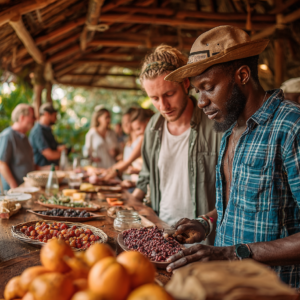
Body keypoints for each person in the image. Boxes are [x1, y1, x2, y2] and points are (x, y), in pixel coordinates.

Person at [164, 25, 300, 288]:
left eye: (209, 87)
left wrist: (230, 253)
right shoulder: (229, 132)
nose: (201, 101)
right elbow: (241, 206)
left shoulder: (291, 127)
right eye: (197, 91)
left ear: (242, 75)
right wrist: (205, 223)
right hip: (230, 288)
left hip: (273, 291)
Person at [130, 45, 222, 238]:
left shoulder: (215, 125)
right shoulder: (153, 127)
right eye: (154, 98)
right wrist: (130, 204)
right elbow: (145, 178)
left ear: (186, 83)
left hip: (206, 243)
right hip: (162, 235)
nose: (163, 106)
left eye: (169, 94)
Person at [104, 108, 154, 181]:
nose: (124, 125)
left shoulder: (142, 138)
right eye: (123, 122)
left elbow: (128, 161)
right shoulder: (128, 141)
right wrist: (108, 171)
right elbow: (125, 161)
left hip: (139, 182)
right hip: (130, 181)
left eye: (128, 122)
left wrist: (114, 172)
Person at [0, 104, 35, 190]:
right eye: (32, 117)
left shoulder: (25, 137)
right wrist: (14, 186)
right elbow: (2, 164)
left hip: (27, 188)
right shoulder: (7, 136)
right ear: (22, 117)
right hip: (15, 192)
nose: (34, 120)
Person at [29, 103, 66, 167]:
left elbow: (55, 148)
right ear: (46, 114)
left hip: (52, 169)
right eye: (54, 116)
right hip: (43, 172)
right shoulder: (38, 131)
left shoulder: (47, 130)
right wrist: (64, 153)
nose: (56, 119)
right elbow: (49, 155)